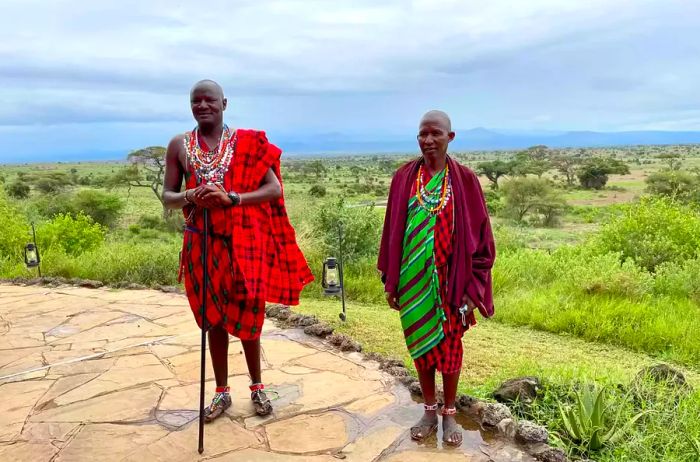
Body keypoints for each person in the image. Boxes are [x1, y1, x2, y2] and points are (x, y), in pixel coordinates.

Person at [163, 80, 313, 421]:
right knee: (212, 318)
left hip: (243, 243)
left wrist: (232, 199)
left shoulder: (246, 143)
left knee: (250, 316)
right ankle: (221, 392)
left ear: (224, 103)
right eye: (196, 101)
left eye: (210, 100)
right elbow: (168, 197)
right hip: (201, 242)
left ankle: (257, 387)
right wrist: (192, 195)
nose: (203, 105)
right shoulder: (179, 145)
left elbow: (272, 189)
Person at [377, 110, 496, 446]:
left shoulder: (465, 180)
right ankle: (428, 410)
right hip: (412, 282)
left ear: (450, 137)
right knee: (421, 347)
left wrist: (474, 289)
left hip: (452, 283)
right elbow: (392, 233)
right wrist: (392, 281)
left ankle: (449, 413)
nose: (428, 140)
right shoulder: (404, 177)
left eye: (435, 134)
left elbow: (482, 237)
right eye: (422, 134)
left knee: (451, 350)